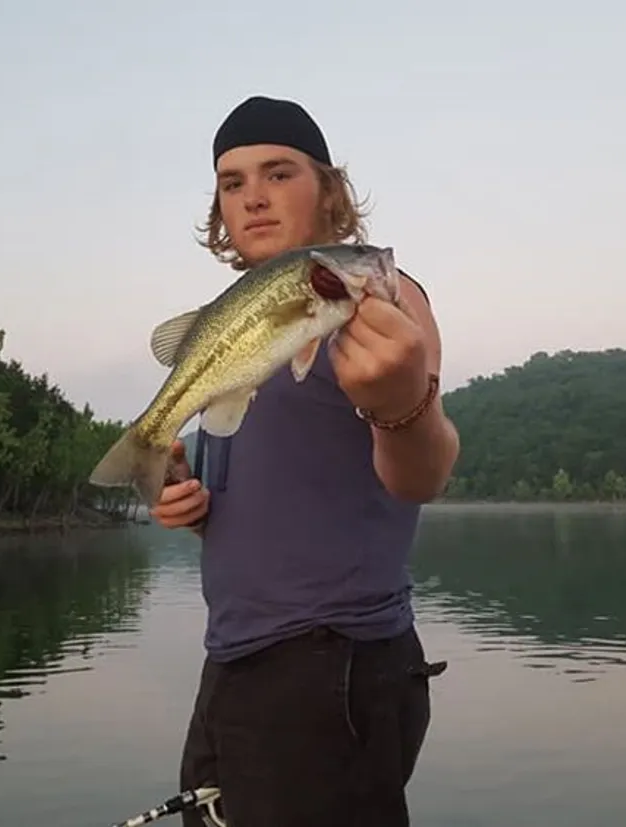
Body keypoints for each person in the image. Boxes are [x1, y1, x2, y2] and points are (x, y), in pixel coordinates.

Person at [149, 95, 461, 827]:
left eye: (278, 172)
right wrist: (189, 503)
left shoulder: (380, 296)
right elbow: (272, 500)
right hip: (234, 662)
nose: (252, 195)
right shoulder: (234, 330)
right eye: (232, 182)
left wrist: (402, 401)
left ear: (329, 190)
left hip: (336, 663)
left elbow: (424, 474)